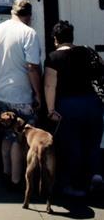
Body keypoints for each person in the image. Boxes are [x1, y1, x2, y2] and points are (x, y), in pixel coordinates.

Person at [44, 20, 104, 204]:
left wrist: (51, 109)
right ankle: (93, 178)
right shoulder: (88, 52)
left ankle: (73, 186)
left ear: (55, 39)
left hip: (68, 105)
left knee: (71, 146)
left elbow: (50, 85)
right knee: (91, 144)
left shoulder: (53, 58)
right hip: (92, 103)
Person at [0, 0, 42, 191]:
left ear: (12, 12)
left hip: (2, 91)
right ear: (29, 16)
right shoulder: (29, 33)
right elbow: (32, 67)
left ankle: (6, 173)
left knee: (7, 135)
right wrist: (38, 93)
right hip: (22, 93)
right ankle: (17, 180)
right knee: (21, 137)